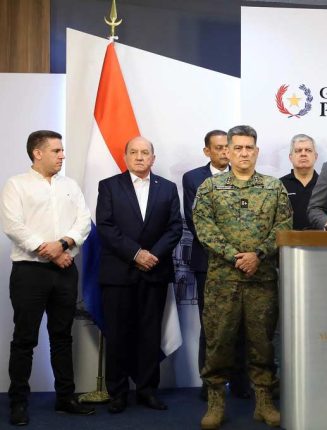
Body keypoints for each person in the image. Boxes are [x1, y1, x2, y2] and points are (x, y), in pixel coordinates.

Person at [193, 125, 292, 429]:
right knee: (219, 341)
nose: (244, 153)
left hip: (261, 279)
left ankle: (263, 402)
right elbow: (203, 227)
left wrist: (258, 254)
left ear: (256, 151)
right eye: (237, 148)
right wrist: (235, 256)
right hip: (223, 280)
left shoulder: (274, 188)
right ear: (228, 151)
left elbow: (284, 226)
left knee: (262, 343)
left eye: (249, 148)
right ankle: (215, 402)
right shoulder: (210, 187)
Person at [0, 130, 95, 426]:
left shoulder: (70, 185)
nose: (62, 155)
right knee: (25, 339)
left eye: (62, 150)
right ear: (37, 153)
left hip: (65, 271)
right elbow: (13, 225)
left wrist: (64, 244)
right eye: (56, 150)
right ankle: (18, 402)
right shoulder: (16, 185)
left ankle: (65, 398)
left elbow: (83, 221)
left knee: (62, 336)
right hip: (30, 272)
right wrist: (51, 251)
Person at [96, 136, 183, 414]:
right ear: (125, 156)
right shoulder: (109, 186)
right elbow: (106, 226)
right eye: (133, 152)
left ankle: (147, 390)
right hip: (119, 272)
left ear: (153, 159)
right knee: (118, 335)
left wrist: (152, 255)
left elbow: (174, 228)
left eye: (145, 152)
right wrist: (136, 254)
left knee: (149, 334)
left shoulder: (168, 188)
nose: (139, 157)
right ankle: (118, 392)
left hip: (154, 271)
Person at [183, 130, 251, 400]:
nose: (225, 152)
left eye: (228, 147)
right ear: (207, 151)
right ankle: (209, 383)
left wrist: (241, 253)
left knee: (243, 324)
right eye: (219, 148)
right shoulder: (194, 179)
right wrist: (229, 251)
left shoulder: (246, 177)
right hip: (208, 263)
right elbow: (196, 221)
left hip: (243, 263)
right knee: (211, 324)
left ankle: (240, 382)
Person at [280, 134, 319, 230]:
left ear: (316, 156)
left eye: (308, 150)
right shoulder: (279, 184)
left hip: (320, 242)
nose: (303, 154)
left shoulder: (325, 184)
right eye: (298, 151)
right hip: (288, 242)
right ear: (290, 157)